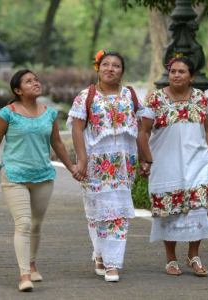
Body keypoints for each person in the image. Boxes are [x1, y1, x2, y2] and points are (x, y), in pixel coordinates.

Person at [0, 69, 79, 292]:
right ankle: (24, 274)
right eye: (29, 81)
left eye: (36, 79)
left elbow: (57, 143)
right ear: (18, 90)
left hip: (43, 176)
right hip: (14, 175)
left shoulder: (49, 113)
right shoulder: (7, 113)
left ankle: (32, 264)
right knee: (24, 223)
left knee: (36, 224)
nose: (35, 83)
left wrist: (71, 167)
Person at [137, 57, 208, 277]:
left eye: (182, 71)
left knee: (199, 209)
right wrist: (145, 159)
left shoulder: (201, 98)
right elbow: (143, 131)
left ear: (191, 76)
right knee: (168, 212)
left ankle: (194, 255)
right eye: (173, 71)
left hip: (197, 163)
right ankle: (171, 259)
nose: (176, 75)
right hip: (165, 165)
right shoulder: (155, 99)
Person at [68, 50, 139, 282]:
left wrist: (147, 158)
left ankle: (112, 263)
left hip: (124, 166)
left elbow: (144, 128)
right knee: (98, 213)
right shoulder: (85, 96)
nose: (111, 68)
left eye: (116, 65)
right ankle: (101, 255)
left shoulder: (130, 95)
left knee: (118, 213)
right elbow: (77, 129)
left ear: (122, 71)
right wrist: (81, 160)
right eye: (106, 64)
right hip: (95, 166)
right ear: (98, 68)